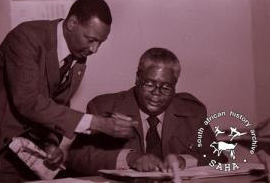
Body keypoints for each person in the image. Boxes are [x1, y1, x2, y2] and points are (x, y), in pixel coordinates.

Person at [0, 0, 137, 183]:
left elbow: (57, 105)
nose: (94, 49)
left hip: (27, 155)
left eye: (100, 42)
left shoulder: (78, 58)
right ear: (72, 23)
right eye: (91, 39)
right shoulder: (27, 36)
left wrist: (52, 143)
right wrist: (96, 123)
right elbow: (28, 101)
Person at [68, 47, 228, 175]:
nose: (156, 93)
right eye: (150, 84)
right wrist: (130, 158)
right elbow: (76, 157)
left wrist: (184, 161)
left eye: (166, 86)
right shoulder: (105, 107)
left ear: (175, 85)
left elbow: (218, 157)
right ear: (137, 79)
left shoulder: (193, 112)